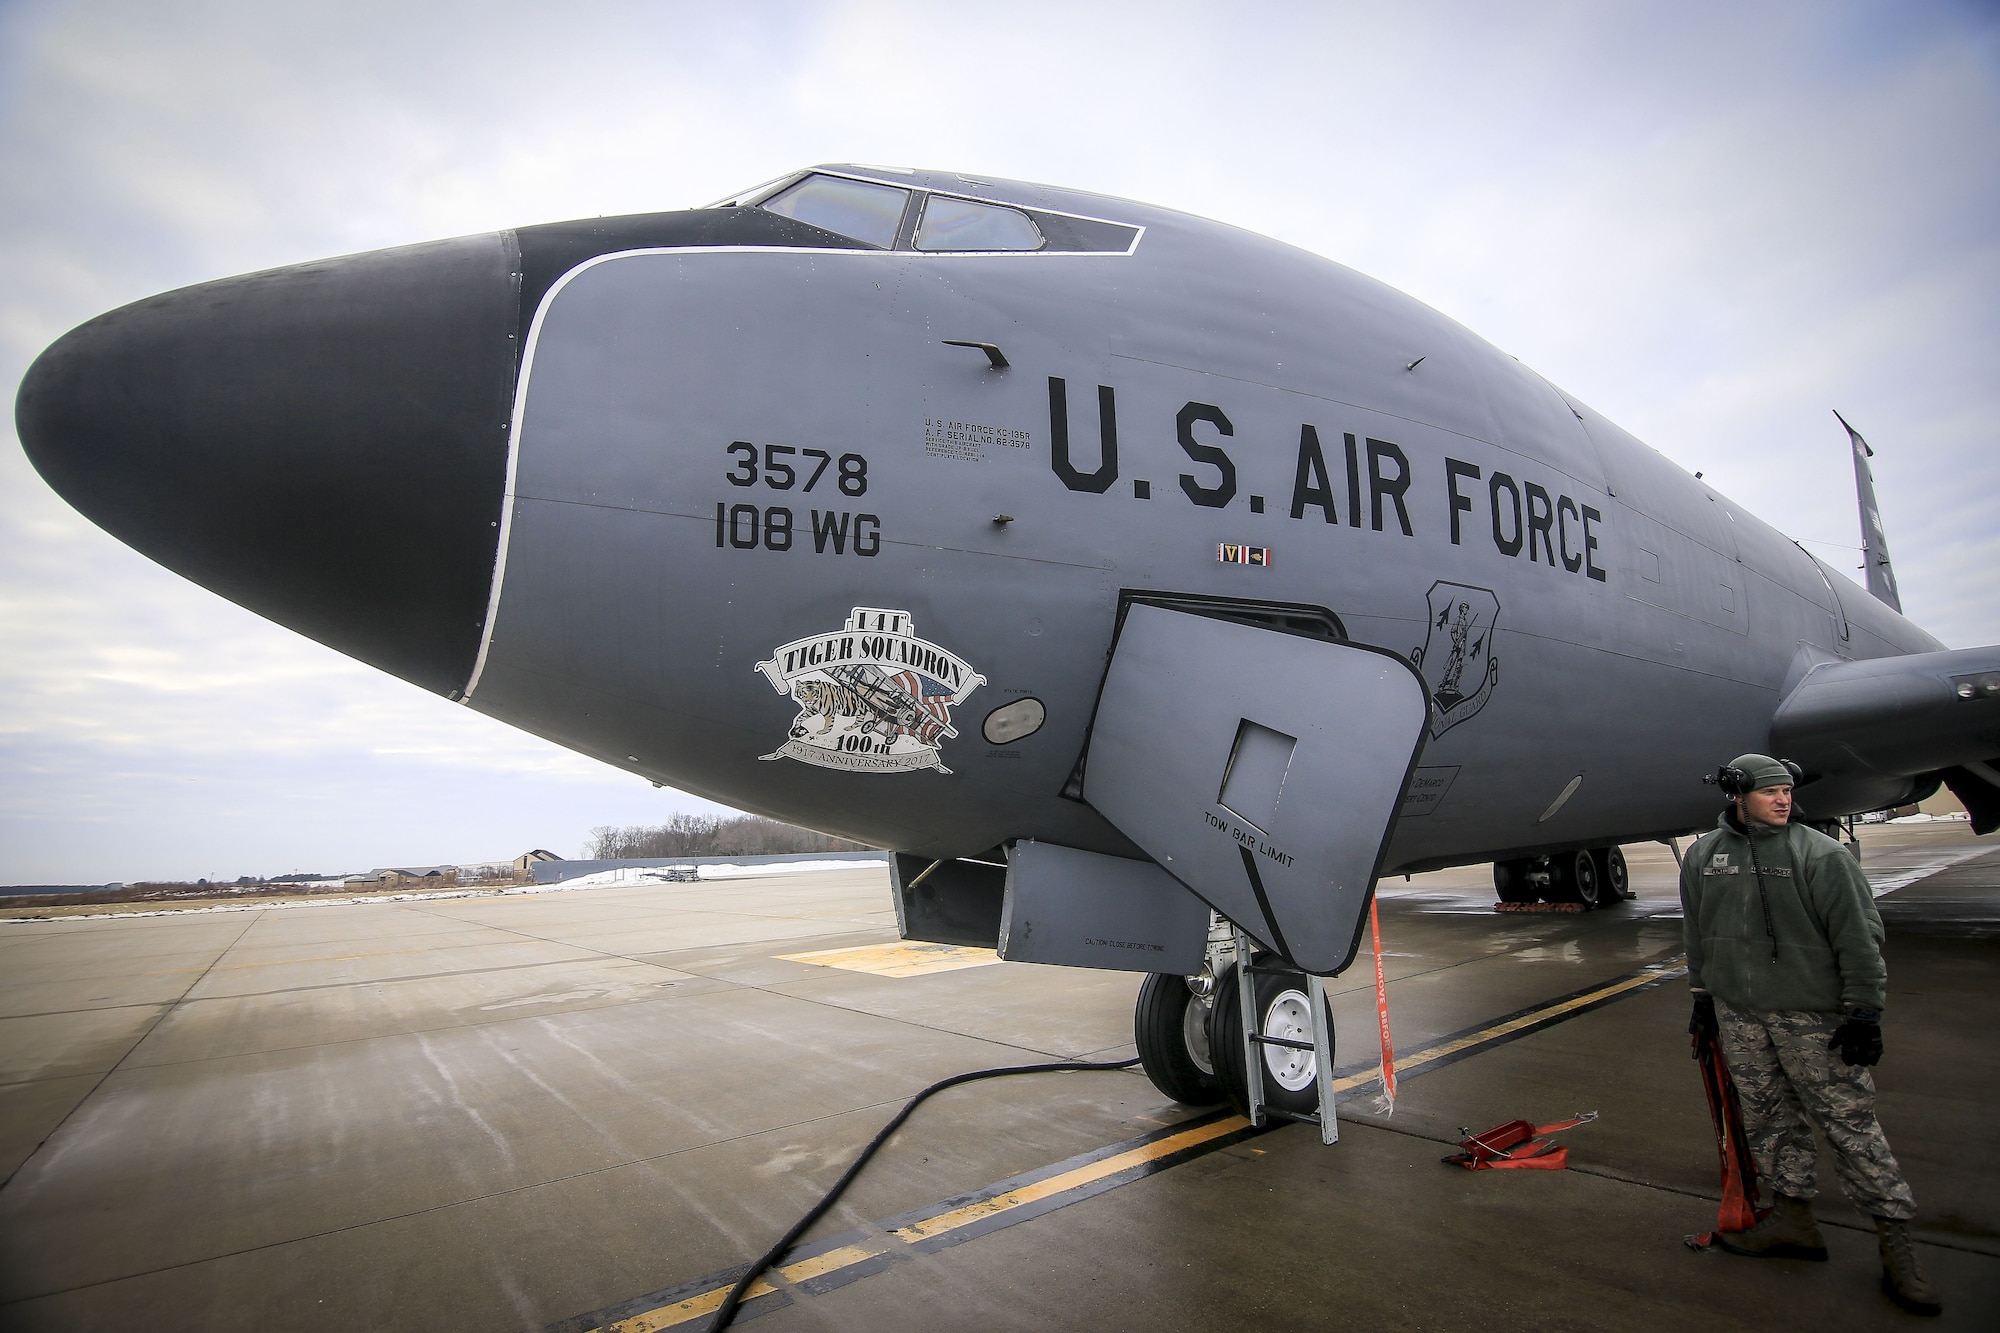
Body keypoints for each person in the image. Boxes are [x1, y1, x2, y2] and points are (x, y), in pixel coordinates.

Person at [1680, 753, 1940, 1316]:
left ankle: (1898, 1249)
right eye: (1769, 792)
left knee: (1850, 1127)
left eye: (1786, 792)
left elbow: (1860, 938)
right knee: (1769, 1121)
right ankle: (1794, 1223)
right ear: (1738, 795)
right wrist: (1704, 1000)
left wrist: (1865, 1012)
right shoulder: (1704, 857)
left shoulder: (1819, 855)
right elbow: (1697, 935)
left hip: (1812, 1019)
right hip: (1741, 1017)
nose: (1783, 800)